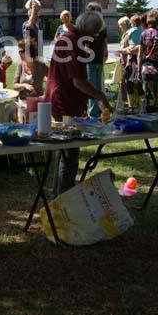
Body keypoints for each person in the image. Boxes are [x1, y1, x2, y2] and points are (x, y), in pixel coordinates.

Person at [45, 11, 112, 197]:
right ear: (89, 29)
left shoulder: (73, 39)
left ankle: (58, 197)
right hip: (63, 101)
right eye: (95, 33)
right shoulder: (71, 42)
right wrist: (101, 96)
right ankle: (64, 199)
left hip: (65, 100)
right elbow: (77, 81)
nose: (94, 37)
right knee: (69, 154)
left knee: (64, 151)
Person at [138, 9, 158, 113]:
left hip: (146, 67)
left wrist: (138, 70)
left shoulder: (143, 34)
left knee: (147, 92)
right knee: (156, 91)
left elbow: (140, 54)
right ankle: (157, 111)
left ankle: (148, 112)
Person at [85, 2, 109, 118]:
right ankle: (97, 111)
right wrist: (105, 55)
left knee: (92, 88)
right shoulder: (102, 27)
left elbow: (85, 45)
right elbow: (105, 45)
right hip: (98, 59)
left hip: (91, 61)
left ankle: (93, 113)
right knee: (98, 87)